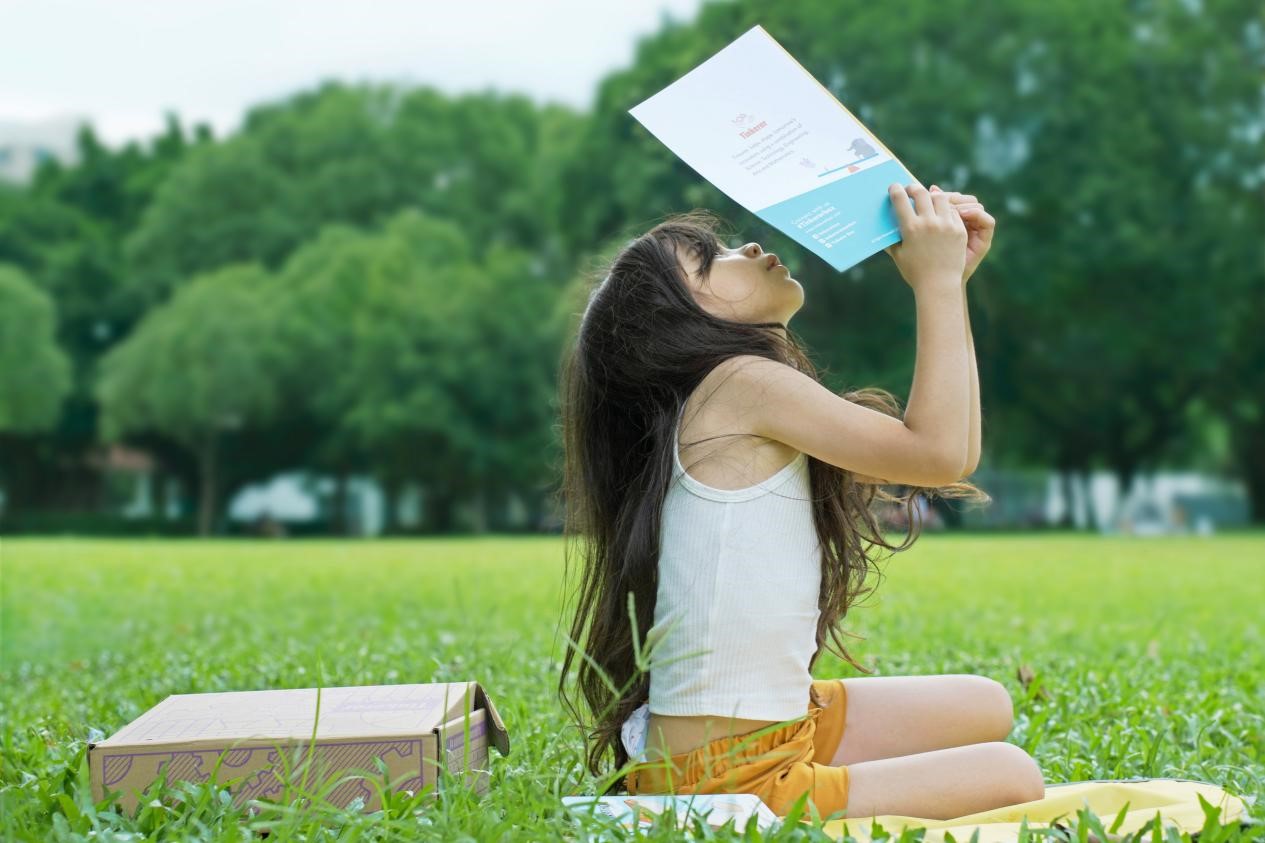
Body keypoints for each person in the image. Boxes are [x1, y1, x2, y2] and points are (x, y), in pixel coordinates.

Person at [556, 181, 1044, 821]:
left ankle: (837, 775)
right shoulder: (738, 384)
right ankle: (812, 791)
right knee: (1013, 773)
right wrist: (937, 283)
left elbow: (957, 454)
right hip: (727, 777)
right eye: (712, 261)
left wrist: (949, 283)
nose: (748, 246)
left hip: (774, 729)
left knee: (988, 704)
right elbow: (939, 454)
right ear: (680, 326)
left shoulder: (730, 391)